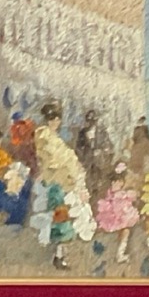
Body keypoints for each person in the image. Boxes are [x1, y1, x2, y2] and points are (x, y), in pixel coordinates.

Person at [34, 101, 95, 265]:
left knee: (66, 216)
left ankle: (60, 254)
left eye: (57, 119)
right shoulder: (45, 137)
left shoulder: (55, 138)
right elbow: (54, 161)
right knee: (61, 216)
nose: (56, 122)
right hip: (57, 182)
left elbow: (68, 158)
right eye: (52, 119)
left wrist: (76, 168)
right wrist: (71, 171)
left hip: (66, 181)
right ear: (48, 120)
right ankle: (58, 256)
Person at [95, 161, 140, 263]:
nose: (115, 184)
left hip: (123, 213)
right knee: (124, 231)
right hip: (118, 213)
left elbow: (130, 196)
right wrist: (126, 195)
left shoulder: (121, 191)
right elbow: (116, 197)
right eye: (114, 182)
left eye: (118, 181)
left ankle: (120, 253)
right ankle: (119, 253)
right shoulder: (116, 192)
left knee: (124, 232)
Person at [75, 109, 114, 203]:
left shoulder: (102, 133)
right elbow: (78, 149)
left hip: (100, 165)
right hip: (87, 164)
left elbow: (109, 147)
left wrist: (100, 152)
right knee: (88, 187)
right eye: (89, 120)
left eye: (93, 120)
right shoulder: (82, 133)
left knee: (100, 189)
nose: (91, 123)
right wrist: (84, 158)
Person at [8, 111, 38, 176]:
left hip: (25, 146)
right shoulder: (18, 126)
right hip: (24, 147)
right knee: (30, 161)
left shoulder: (23, 125)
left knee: (30, 161)